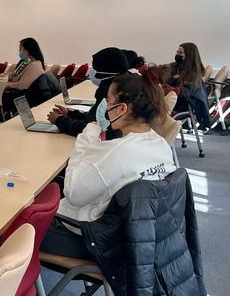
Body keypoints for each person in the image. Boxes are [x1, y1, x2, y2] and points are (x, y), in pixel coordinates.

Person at [40, 72, 177, 259]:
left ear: (122, 109)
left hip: (97, 240)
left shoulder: (119, 153)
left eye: (109, 100)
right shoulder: (160, 144)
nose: (106, 106)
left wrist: (87, 138)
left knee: (13, 225)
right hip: (136, 237)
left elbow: (73, 194)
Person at [47, 47, 128, 139]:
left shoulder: (112, 94)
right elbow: (96, 118)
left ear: (105, 70)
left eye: (95, 68)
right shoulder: (121, 85)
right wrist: (70, 114)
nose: (92, 71)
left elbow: (95, 129)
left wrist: (59, 120)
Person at [167, 42, 210, 128]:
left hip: (180, 105)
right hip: (172, 100)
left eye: (180, 53)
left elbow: (183, 94)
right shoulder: (176, 67)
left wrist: (170, 85)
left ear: (189, 55)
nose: (178, 55)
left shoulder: (193, 74)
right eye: (177, 52)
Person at [0, 37, 46, 112]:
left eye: (21, 50)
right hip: (21, 94)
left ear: (28, 50)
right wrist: (0, 77)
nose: (20, 52)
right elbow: (14, 74)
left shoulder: (34, 65)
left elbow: (22, 85)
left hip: (23, 97)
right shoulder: (27, 62)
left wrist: (6, 85)